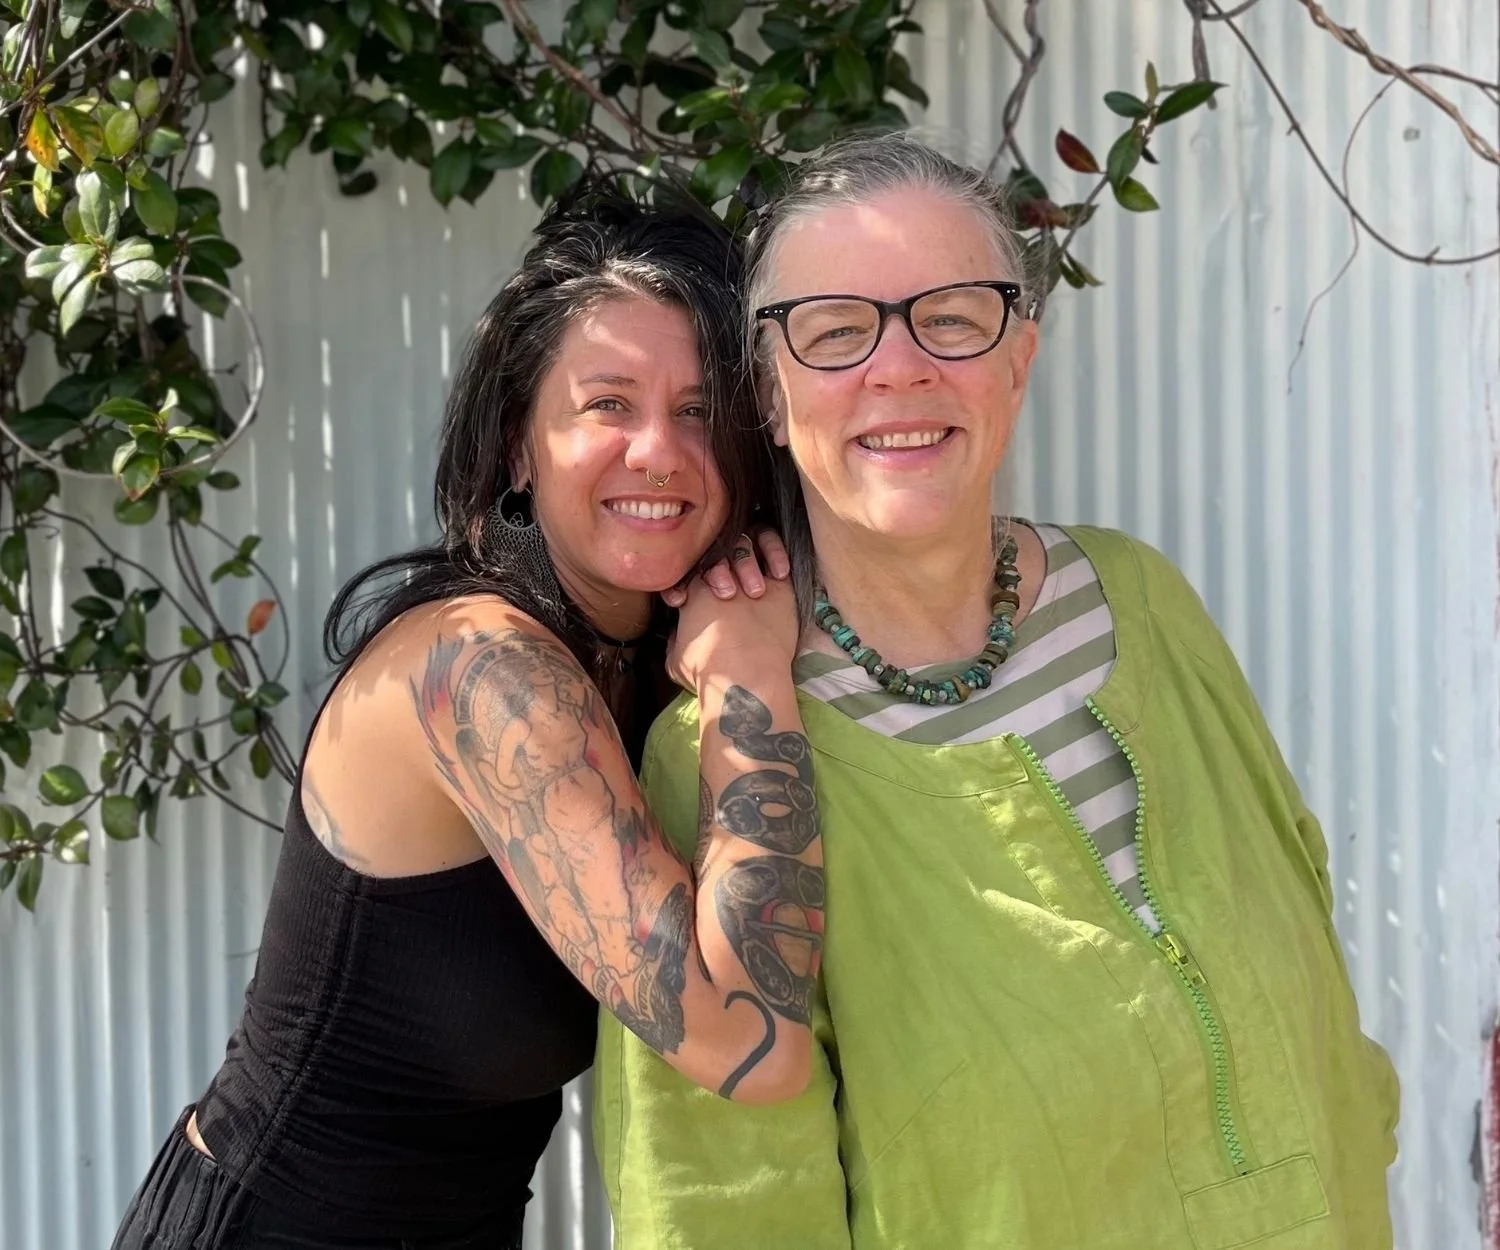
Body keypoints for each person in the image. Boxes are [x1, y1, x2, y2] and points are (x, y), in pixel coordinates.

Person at [595, 134, 1401, 1249]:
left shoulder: (1141, 603)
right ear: (769, 397)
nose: (900, 367)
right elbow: (717, 1202)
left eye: (955, 315)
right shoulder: (732, 758)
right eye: (834, 331)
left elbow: (1305, 950)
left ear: (1018, 354)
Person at [111, 190, 824, 1250]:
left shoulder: (652, 658)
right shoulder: (482, 669)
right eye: (608, 404)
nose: (658, 451)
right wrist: (754, 679)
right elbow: (749, 1040)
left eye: (697, 409)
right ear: (521, 445)